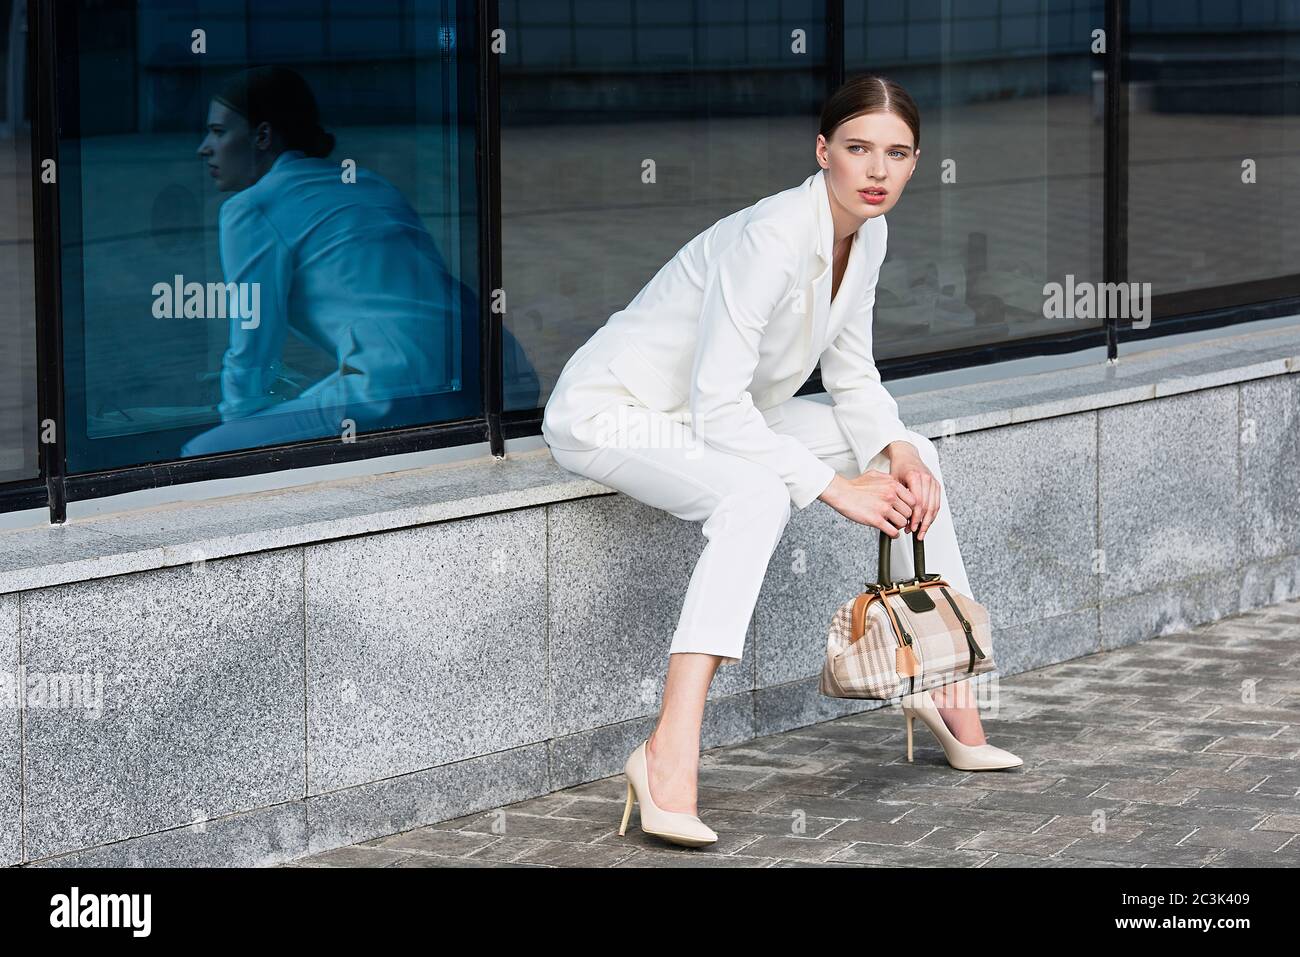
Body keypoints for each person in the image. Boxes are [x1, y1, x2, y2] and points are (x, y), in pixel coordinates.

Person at [541, 74, 1020, 849]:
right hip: (619, 413)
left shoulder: (869, 234)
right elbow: (716, 403)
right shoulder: (770, 235)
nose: (877, 171)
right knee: (757, 496)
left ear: (915, 162)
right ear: (822, 151)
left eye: (896, 154)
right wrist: (838, 489)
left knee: (916, 453)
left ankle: (945, 680)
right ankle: (667, 750)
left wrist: (893, 451)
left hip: (725, 413)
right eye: (858, 149)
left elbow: (852, 374)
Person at [183, 64, 537, 456]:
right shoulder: (368, 182)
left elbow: (253, 338)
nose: (204, 147)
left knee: (202, 455)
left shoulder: (251, 207)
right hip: (498, 371)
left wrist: (240, 428)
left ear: (262, 136)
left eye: (218, 132)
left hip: (399, 384)